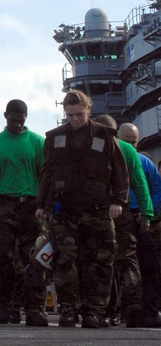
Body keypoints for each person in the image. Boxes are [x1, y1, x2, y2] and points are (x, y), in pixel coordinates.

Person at [35, 90, 128, 328]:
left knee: (99, 260)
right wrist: (42, 205)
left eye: (79, 114)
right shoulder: (54, 138)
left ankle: (94, 311)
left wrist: (118, 201)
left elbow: (120, 171)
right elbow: (48, 172)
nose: (75, 119)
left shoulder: (105, 136)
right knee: (65, 260)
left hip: (98, 209)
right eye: (70, 115)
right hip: (64, 209)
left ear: (89, 109)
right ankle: (68, 308)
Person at [0, 99, 47, 326]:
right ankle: (5, 305)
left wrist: (44, 206)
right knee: (3, 259)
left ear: (26, 118)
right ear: (5, 116)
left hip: (30, 205)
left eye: (20, 120)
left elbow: (44, 176)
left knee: (32, 258)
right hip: (4, 205)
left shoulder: (38, 142)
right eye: (13, 120)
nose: (17, 124)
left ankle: (34, 308)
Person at [95, 116, 154, 328]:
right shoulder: (127, 150)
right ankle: (129, 306)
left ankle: (108, 310)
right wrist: (147, 213)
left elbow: (141, 183)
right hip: (118, 211)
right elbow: (140, 184)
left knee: (104, 260)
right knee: (125, 259)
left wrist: (146, 212)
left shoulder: (93, 147)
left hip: (102, 212)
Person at [118, 123, 161, 327]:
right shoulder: (108, 161)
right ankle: (123, 308)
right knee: (120, 265)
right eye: (126, 142)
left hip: (141, 218)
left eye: (134, 142)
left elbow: (156, 189)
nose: (130, 147)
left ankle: (150, 310)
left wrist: (149, 213)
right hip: (117, 218)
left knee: (149, 264)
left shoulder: (145, 163)